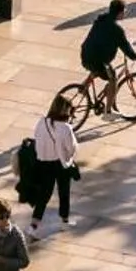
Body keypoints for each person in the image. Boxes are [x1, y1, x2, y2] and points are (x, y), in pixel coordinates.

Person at [27, 94, 79, 235]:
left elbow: (37, 139)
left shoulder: (42, 122)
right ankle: (64, 221)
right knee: (63, 192)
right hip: (60, 164)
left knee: (44, 195)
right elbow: (72, 148)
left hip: (44, 162)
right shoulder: (65, 128)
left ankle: (34, 225)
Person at [79, 0, 136, 109]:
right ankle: (108, 111)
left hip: (86, 54)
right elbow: (126, 48)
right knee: (113, 79)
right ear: (119, 13)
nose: (125, 14)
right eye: (124, 12)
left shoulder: (100, 20)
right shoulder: (117, 30)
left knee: (97, 69)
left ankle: (83, 88)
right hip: (98, 60)